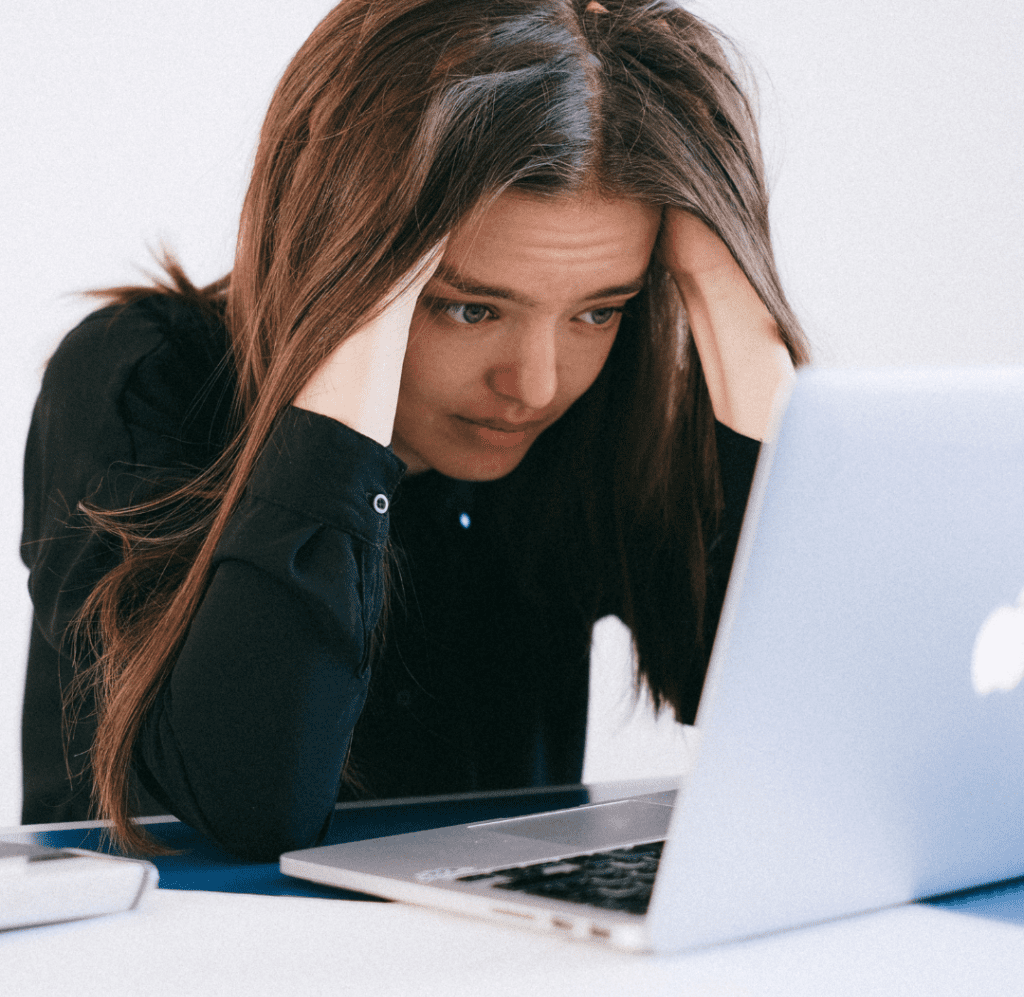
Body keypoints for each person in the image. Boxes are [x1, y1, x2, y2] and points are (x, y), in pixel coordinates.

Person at [21, 0, 807, 861]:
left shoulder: (598, 411)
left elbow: (802, 724)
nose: (535, 386)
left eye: (598, 310)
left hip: (489, 966)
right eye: (468, 307)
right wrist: (353, 322)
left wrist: (737, 294)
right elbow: (251, 801)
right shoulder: (139, 381)